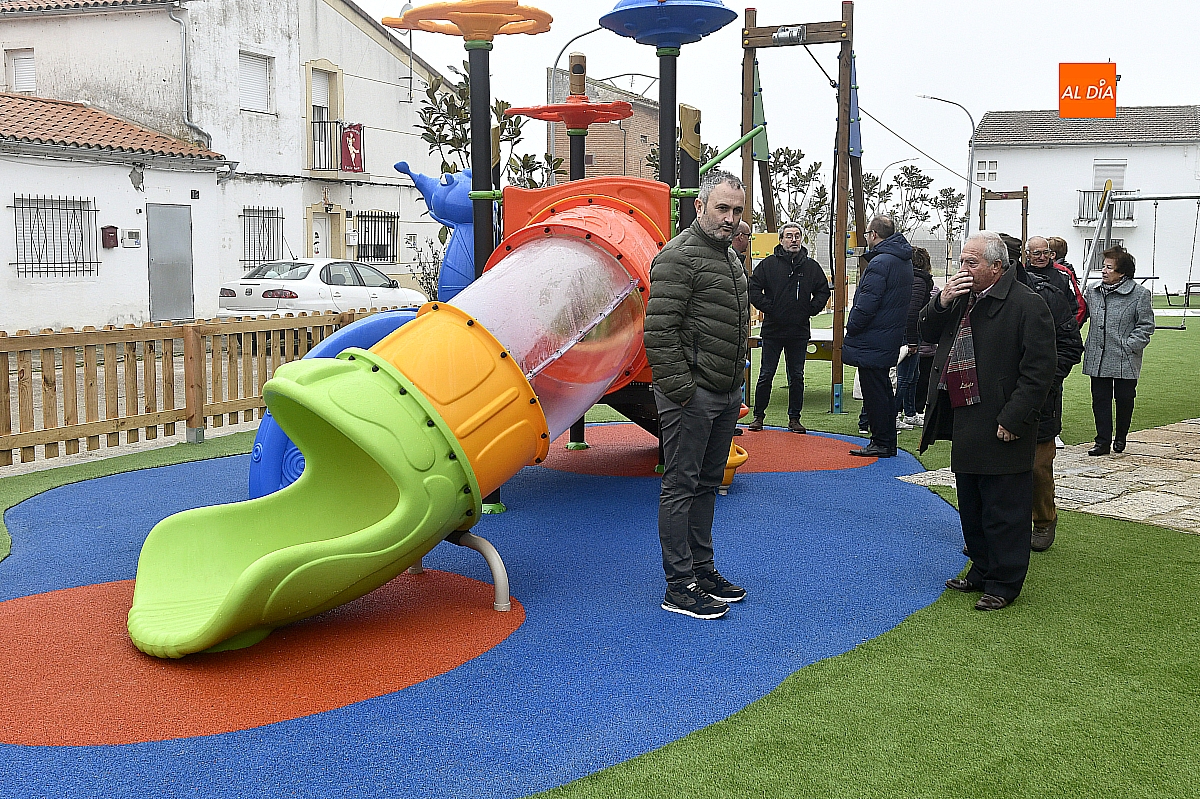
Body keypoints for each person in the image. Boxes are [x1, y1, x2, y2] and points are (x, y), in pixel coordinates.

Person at [919, 231, 1056, 611]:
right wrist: (940, 301)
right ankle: (981, 570)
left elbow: (1039, 372)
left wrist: (1014, 418)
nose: (963, 268)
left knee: (1004, 510)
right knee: (973, 504)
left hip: (1002, 421)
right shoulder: (961, 297)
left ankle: (1004, 583)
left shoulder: (1028, 304)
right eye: (962, 261)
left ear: (997, 266)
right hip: (965, 416)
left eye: (971, 262)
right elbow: (926, 332)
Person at [644, 170, 751, 620]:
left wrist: (732, 386)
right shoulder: (679, 256)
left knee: (708, 483)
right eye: (722, 208)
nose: (730, 218)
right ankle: (679, 584)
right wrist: (684, 392)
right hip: (693, 395)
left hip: (724, 391)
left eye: (737, 210)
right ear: (700, 206)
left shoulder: (729, 258)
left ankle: (702, 571)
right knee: (681, 485)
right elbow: (659, 332)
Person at [746, 221, 831, 434]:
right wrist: (769, 308)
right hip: (773, 330)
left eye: (797, 236)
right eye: (789, 236)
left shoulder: (810, 267)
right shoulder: (768, 265)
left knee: (797, 376)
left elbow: (823, 290)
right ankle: (758, 417)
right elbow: (753, 288)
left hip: (798, 331)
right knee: (766, 374)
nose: (794, 240)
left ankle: (794, 419)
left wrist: (810, 309)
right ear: (781, 240)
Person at [844, 215, 913, 458]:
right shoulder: (902, 260)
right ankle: (886, 440)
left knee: (874, 393)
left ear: (873, 234)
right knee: (883, 390)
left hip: (872, 338)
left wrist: (852, 326)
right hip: (888, 336)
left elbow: (867, 303)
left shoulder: (880, 263)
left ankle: (881, 441)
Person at [1082, 246, 1155, 456]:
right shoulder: (1092, 291)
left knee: (1124, 399)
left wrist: (1130, 345)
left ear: (1122, 272)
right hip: (1098, 356)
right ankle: (1102, 441)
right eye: (1103, 267)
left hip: (1125, 357)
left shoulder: (1139, 294)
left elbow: (1146, 325)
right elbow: (1080, 313)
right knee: (1100, 400)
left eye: (1109, 268)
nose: (1103, 271)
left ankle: (1121, 436)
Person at [897, 247, 935, 427]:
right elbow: (912, 312)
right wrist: (912, 340)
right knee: (905, 377)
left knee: (913, 375)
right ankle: (894, 415)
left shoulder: (909, 279)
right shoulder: (919, 281)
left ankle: (910, 413)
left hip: (910, 333)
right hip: (909, 334)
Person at [1047, 236, 1086, 327]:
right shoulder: (1067, 270)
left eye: (1045, 252)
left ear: (1052, 255)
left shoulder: (1063, 273)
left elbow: (1079, 305)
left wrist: (1070, 329)